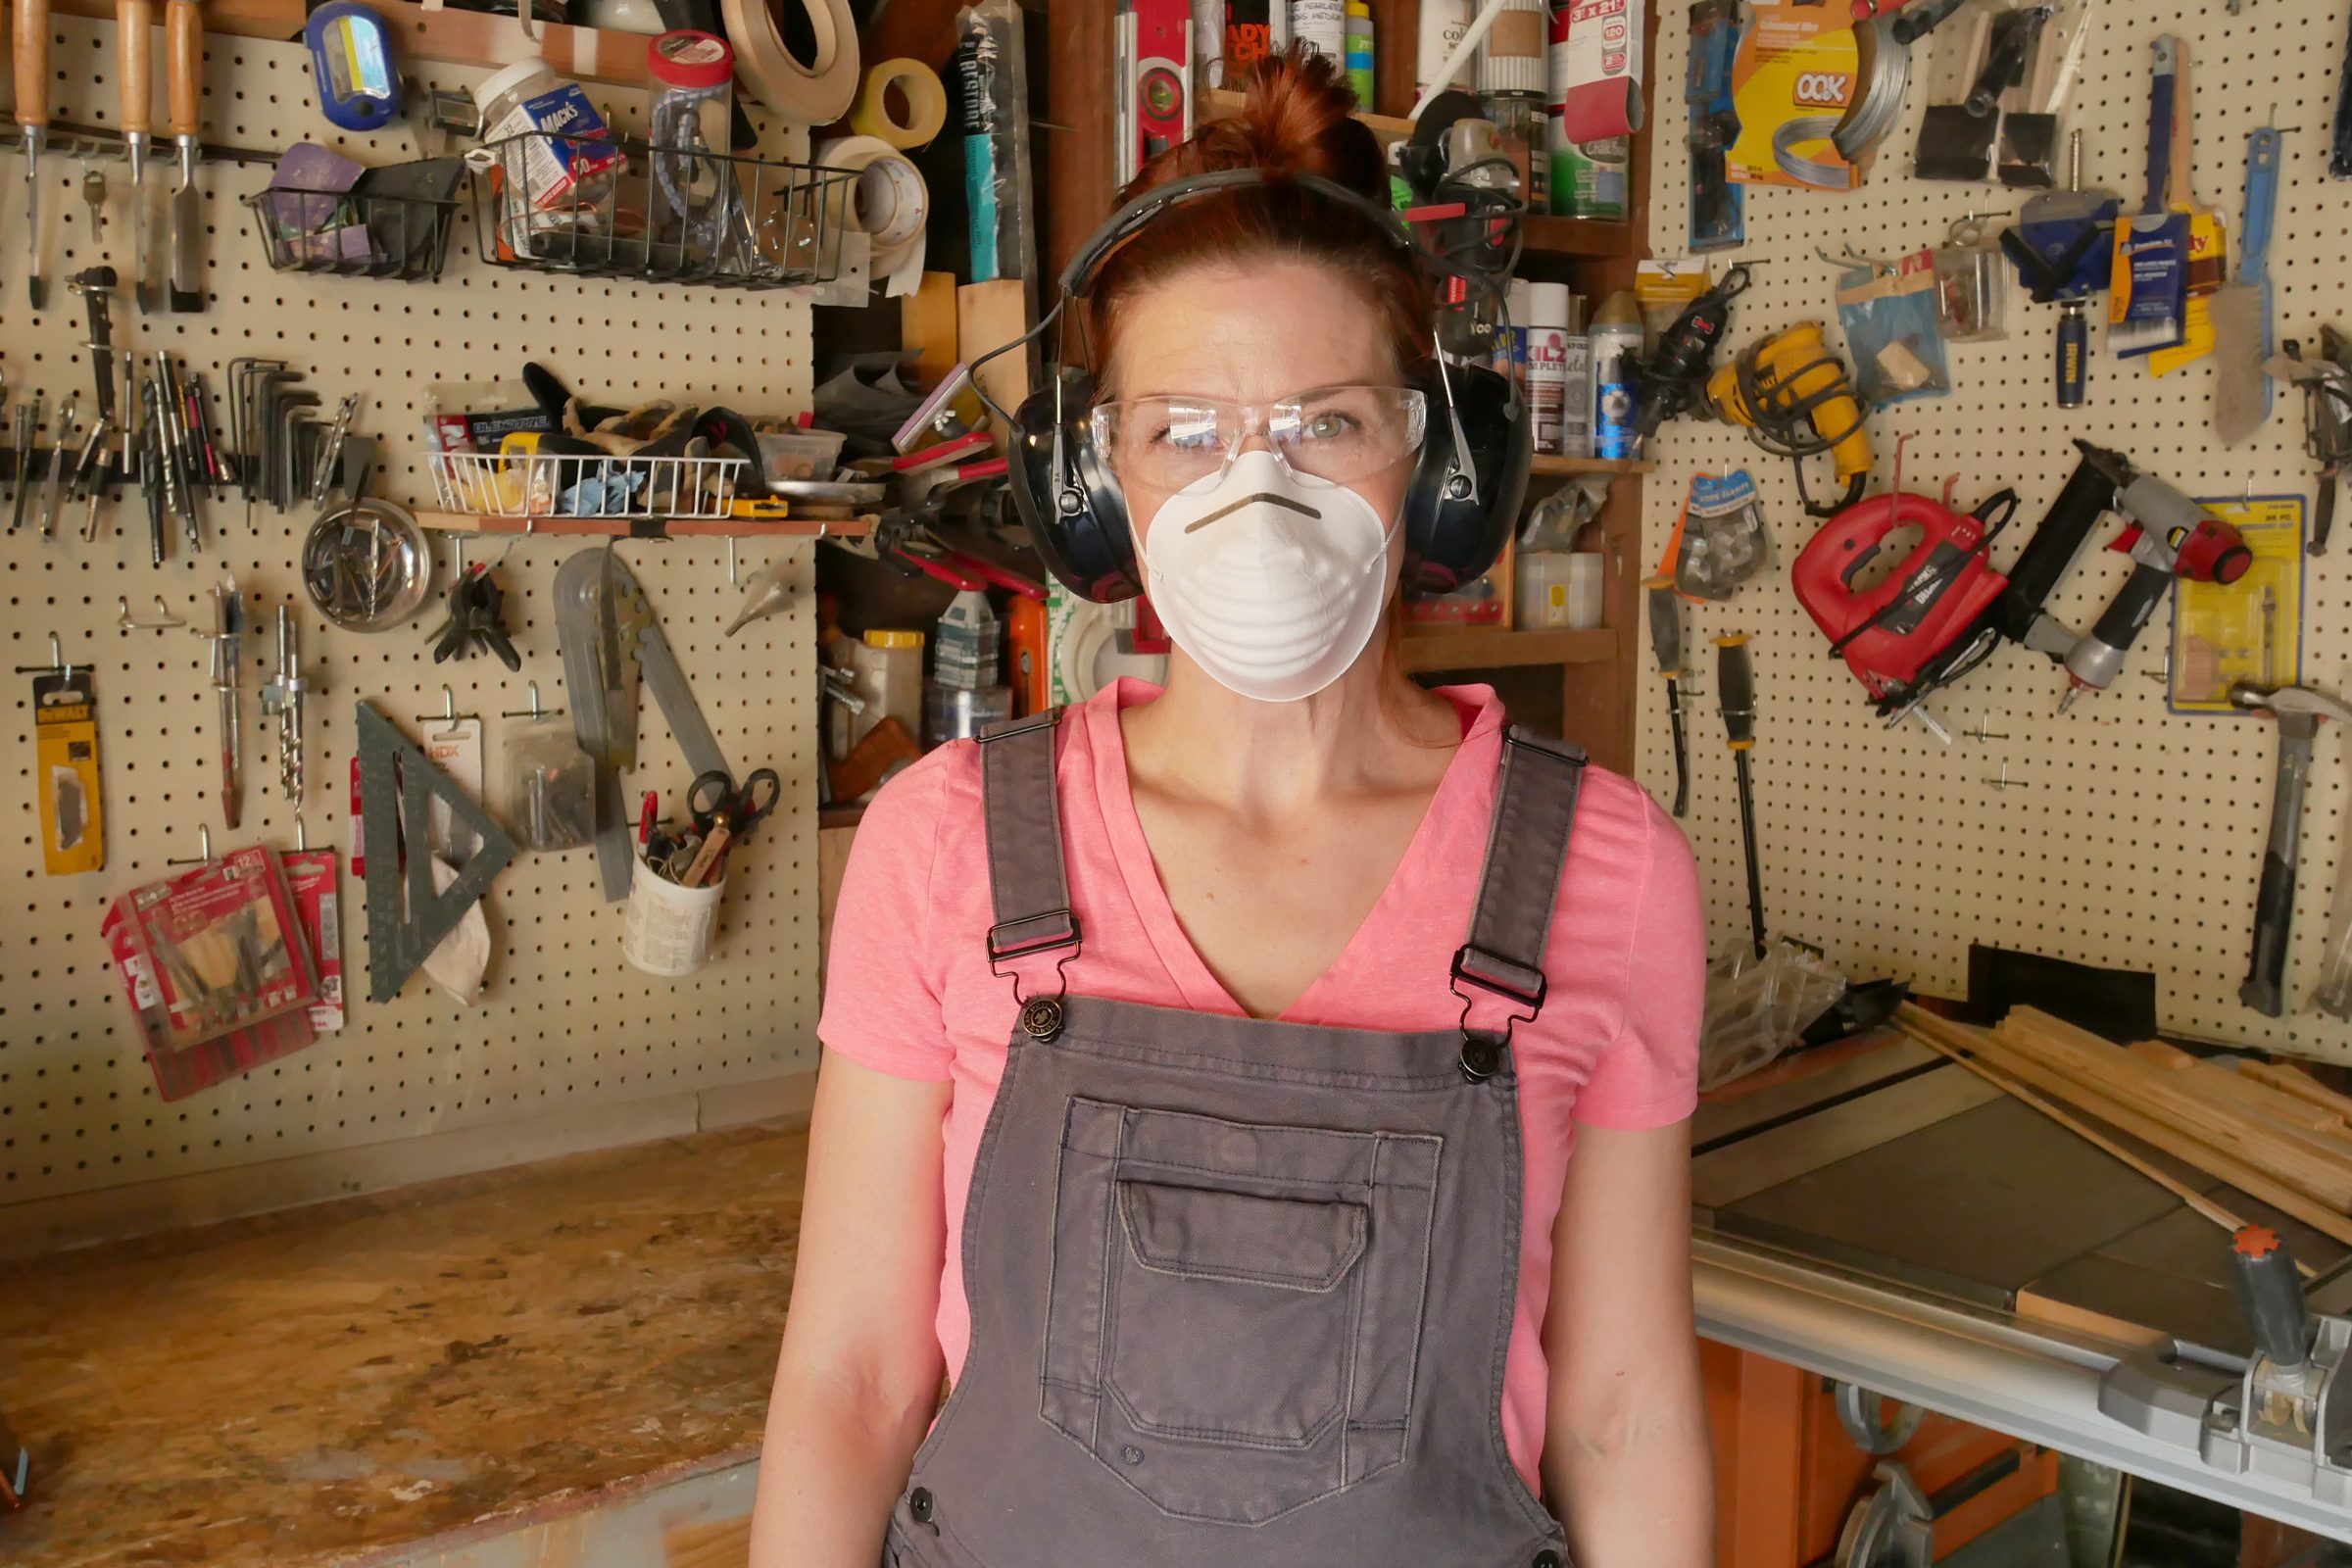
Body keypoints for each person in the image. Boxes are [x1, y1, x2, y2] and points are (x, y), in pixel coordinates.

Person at [751, 47, 1711, 1568]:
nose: (1252, 493)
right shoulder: (941, 844)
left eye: (1329, 421)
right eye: (1183, 431)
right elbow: (854, 1382)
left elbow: (1623, 1410)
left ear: (1441, 463)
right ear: (1095, 482)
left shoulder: (1610, 871)